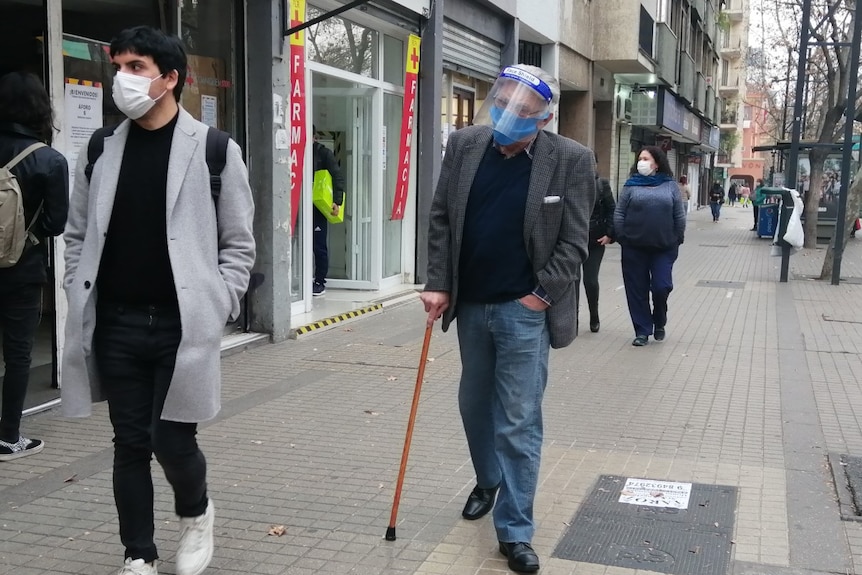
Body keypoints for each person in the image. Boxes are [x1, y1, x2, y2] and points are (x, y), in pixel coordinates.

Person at [61, 26, 255, 575]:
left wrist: (219, 302)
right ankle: (138, 554)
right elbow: (77, 235)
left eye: (137, 66)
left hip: (182, 326)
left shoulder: (215, 150)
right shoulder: (100, 149)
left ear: (170, 78)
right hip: (117, 323)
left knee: (172, 440)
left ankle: (196, 513)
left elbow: (239, 243)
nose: (122, 77)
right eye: (118, 65)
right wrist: (77, 287)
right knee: (129, 443)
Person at [420, 64, 595, 574]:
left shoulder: (570, 160)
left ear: (544, 119)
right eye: (503, 103)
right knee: (474, 406)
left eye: (522, 110)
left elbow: (575, 240)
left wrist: (540, 296)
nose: (508, 115)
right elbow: (441, 218)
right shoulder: (466, 144)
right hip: (470, 305)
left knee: (519, 421)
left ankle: (515, 531)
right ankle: (488, 478)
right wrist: (438, 282)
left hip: (524, 310)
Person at [0, 72, 68, 460]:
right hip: (22, 269)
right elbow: (56, 223)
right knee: (18, 352)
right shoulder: (48, 159)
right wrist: (23, 237)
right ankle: (9, 437)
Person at [613, 146, 685, 347]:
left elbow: (679, 214)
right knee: (637, 289)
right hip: (634, 246)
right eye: (640, 158)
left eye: (646, 158)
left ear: (657, 162)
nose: (641, 162)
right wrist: (621, 236)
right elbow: (619, 213)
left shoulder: (670, 186)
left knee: (661, 287)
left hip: (664, 246)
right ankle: (642, 330)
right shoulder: (630, 186)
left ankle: (659, 320)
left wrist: (678, 237)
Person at [311, 126, 345, 296]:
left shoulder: (324, 154)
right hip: (300, 207)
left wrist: (336, 201)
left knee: (318, 246)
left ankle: (320, 281)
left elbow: (337, 177)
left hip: (318, 206)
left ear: (314, 137)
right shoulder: (295, 154)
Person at [584, 156, 616, 333]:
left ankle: (594, 316)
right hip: (573, 240)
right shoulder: (571, 181)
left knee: (590, 281)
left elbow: (612, 208)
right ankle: (571, 319)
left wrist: (609, 234)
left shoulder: (602, 184)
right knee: (571, 282)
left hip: (596, 240)